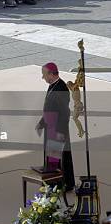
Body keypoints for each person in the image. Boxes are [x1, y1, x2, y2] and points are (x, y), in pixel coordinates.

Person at [36, 62, 75, 191]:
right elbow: (49, 108)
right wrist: (42, 123)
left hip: (58, 129)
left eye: (44, 74)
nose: (43, 77)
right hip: (51, 127)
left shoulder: (61, 88)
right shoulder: (53, 85)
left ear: (51, 74)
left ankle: (62, 184)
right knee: (52, 156)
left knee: (58, 157)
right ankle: (53, 183)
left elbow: (65, 112)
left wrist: (60, 131)